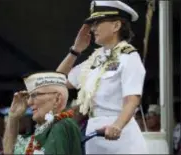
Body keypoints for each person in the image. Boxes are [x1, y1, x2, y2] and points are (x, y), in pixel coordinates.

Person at [56, 0, 148, 153]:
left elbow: (132, 101)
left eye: (98, 23)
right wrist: (75, 50)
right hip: (94, 133)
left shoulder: (129, 56)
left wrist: (117, 126)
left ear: (116, 26)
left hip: (121, 137)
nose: (93, 29)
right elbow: (57, 81)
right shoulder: (95, 59)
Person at [3, 72, 82, 155]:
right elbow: (9, 151)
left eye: (35, 95)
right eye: (29, 96)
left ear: (57, 99)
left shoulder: (61, 126)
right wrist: (13, 117)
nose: (29, 102)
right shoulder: (45, 130)